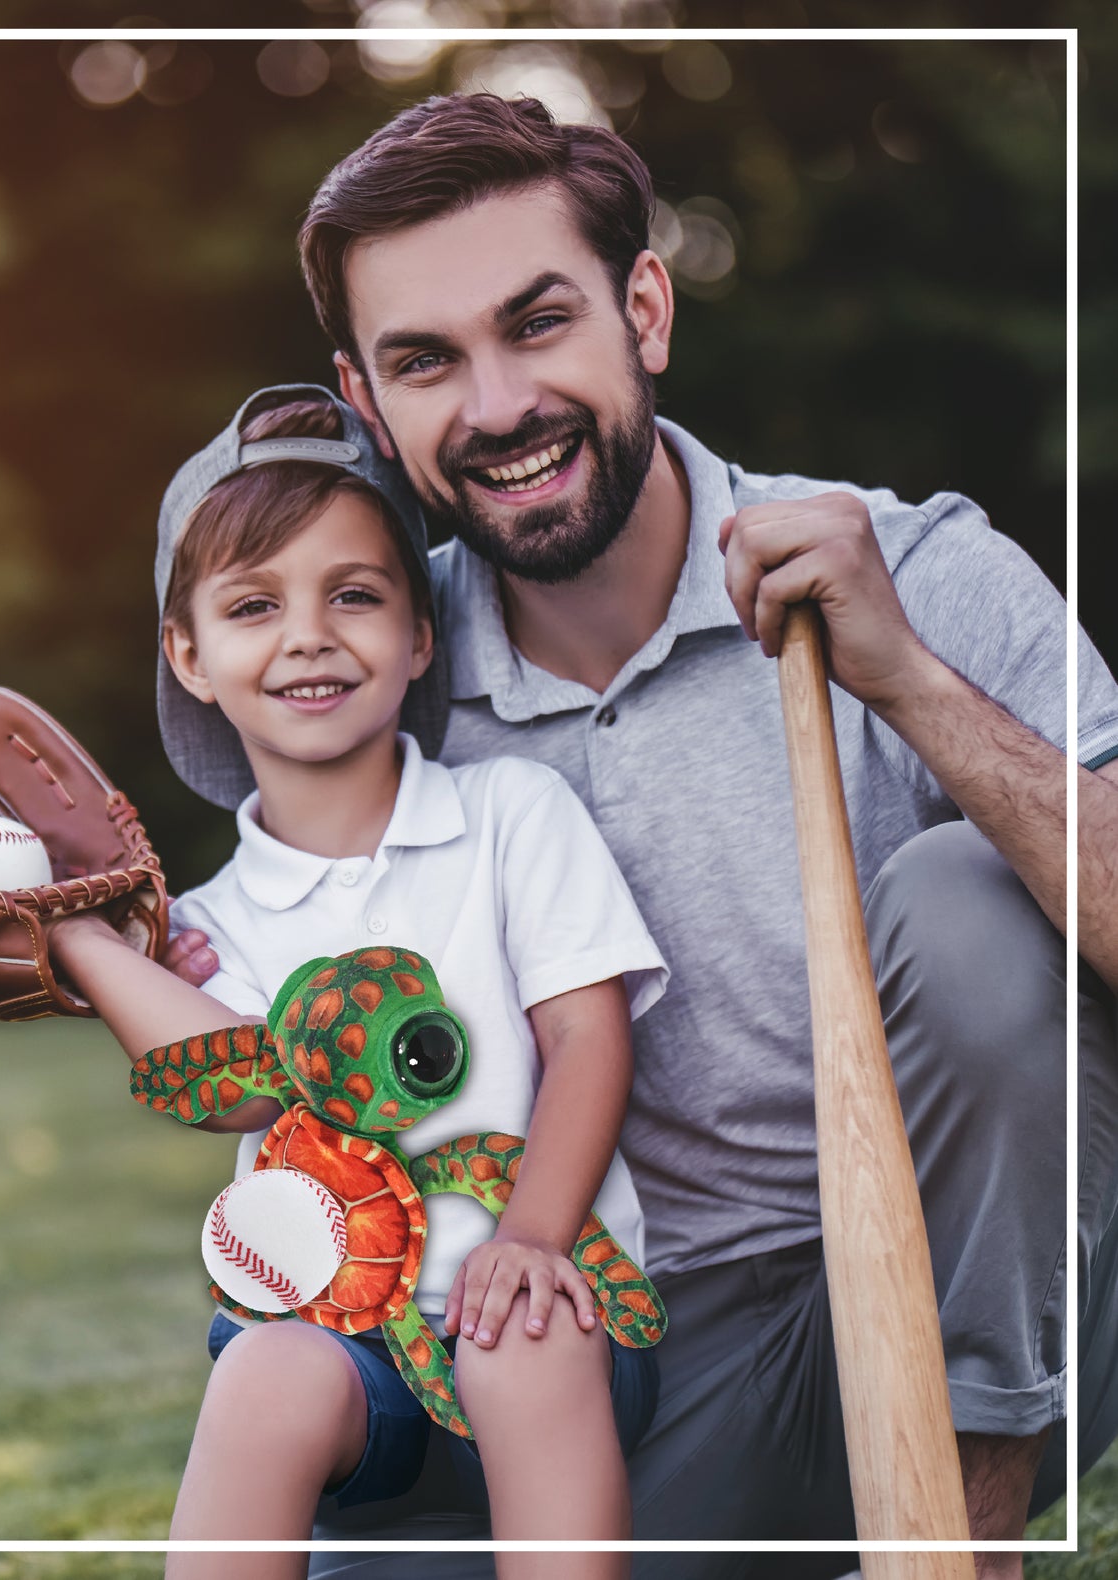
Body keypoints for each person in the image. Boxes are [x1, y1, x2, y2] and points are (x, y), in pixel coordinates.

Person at [167, 94, 1118, 1578]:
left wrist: (911, 684)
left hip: (975, 1295)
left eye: (537, 323)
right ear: (366, 398)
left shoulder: (915, 566)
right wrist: (56, 938)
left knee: (966, 902)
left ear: (646, 307)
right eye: (425, 361)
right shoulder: (370, 665)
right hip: (627, 1347)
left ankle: (950, 1552)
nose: (493, 407)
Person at [50, 385, 671, 1580]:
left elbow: (589, 1041)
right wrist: (82, 941)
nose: (307, 635)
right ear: (187, 653)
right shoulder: (207, 924)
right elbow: (235, 1088)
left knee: (518, 1335)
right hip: (353, 1363)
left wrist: (531, 1236)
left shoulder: (508, 816)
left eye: (353, 594)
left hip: (552, 1320)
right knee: (263, 1368)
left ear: (419, 632)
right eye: (249, 605)